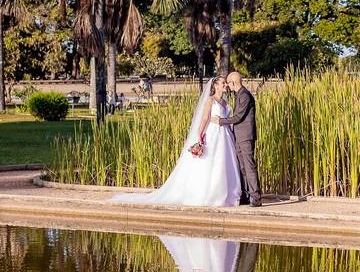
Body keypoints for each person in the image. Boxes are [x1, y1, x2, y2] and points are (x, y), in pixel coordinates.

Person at [109, 77, 241, 206]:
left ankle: (225, 194)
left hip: (225, 134)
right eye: (223, 83)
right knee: (211, 161)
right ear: (216, 86)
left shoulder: (224, 102)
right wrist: (200, 134)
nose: (225, 85)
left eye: (225, 83)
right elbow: (205, 118)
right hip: (213, 134)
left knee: (223, 162)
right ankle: (210, 194)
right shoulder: (210, 101)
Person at [211, 71, 261, 207]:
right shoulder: (239, 95)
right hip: (239, 136)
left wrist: (221, 121)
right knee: (242, 166)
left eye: (228, 83)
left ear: (233, 83)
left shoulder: (244, 95)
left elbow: (238, 117)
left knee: (249, 165)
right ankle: (245, 195)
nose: (227, 86)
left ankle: (256, 196)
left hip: (245, 136)